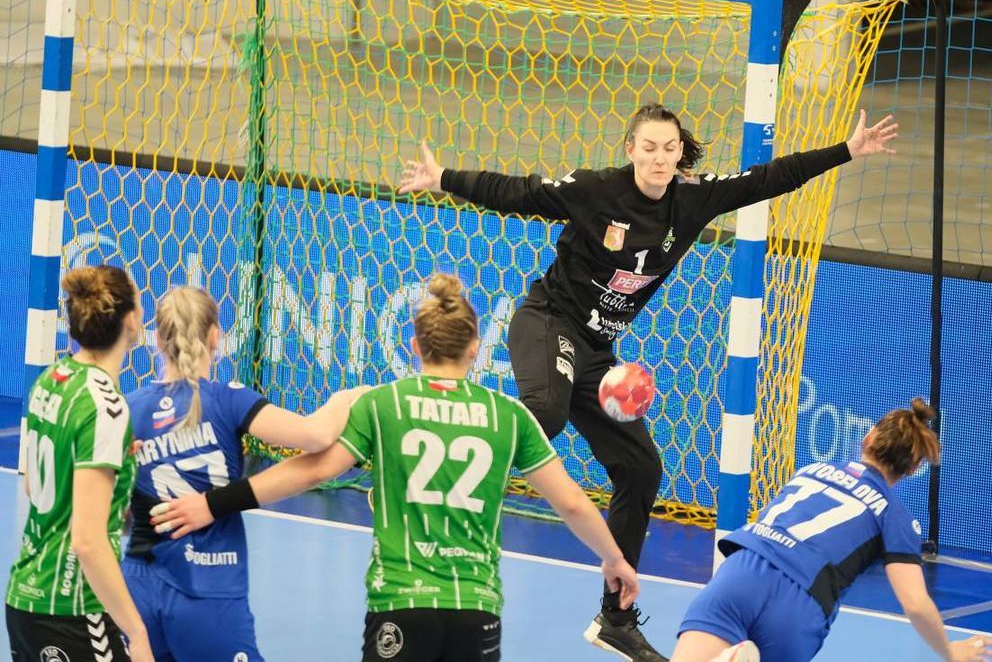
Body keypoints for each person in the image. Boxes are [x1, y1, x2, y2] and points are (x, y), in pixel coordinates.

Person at [395, 103, 900, 661]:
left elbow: (767, 178)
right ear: (630, 148)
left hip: (597, 354)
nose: (659, 158)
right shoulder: (596, 190)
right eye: (649, 147)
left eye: (669, 148)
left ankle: (616, 617)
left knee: (641, 468)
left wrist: (846, 151)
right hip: (549, 323)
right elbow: (519, 193)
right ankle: (442, 479)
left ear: (680, 151)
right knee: (546, 413)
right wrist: (443, 179)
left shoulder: (692, 199)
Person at [148, 272, 639, 662]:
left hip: (400, 604)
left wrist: (214, 503)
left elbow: (312, 471)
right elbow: (573, 502)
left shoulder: (384, 405)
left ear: (414, 346)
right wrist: (614, 559)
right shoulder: (510, 418)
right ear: (475, 348)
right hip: (476, 608)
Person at [122, 285, 367, 661]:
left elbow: (115, 506)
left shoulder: (131, 408)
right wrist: (347, 397)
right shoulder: (228, 399)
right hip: (208, 587)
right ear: (216, 335)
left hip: (138, 586)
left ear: (156, 338)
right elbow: (315, 436)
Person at [671, 399, 992, 662]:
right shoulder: (895, 516)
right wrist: (950, 651)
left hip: (742, 572)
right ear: (914, 469)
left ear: (868, 438)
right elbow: (915, 603)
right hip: (799, 602)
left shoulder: (812, 470)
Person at [5, 265, 155, 662]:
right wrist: (136, 632)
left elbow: (34, 489)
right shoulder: (106, 406)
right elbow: (87, 541)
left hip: (24, 597)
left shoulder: (51, 379)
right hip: (72, 608)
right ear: (130, 321)